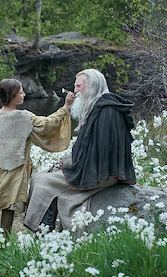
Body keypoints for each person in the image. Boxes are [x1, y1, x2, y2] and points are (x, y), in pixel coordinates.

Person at [24, 69, 136, 232]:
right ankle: (47, 229)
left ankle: (43, 233)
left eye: (78, 86)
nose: (75, 91)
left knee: (41, 181)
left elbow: (102, 154)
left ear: (92, 87)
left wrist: (73, 164)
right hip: (97, 170)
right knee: (45, 174)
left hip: (102, 175)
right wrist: (70, 161)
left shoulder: (107, 112)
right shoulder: (101, 106)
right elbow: (92, 150)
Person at [0, 78, 75, 238]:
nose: (24, 94)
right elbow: (48, 124)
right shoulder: (25, 117)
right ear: (12, 96)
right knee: (9, 206)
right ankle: (2, 242)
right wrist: (65, 107)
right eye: (21, 92)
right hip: (14, 170)